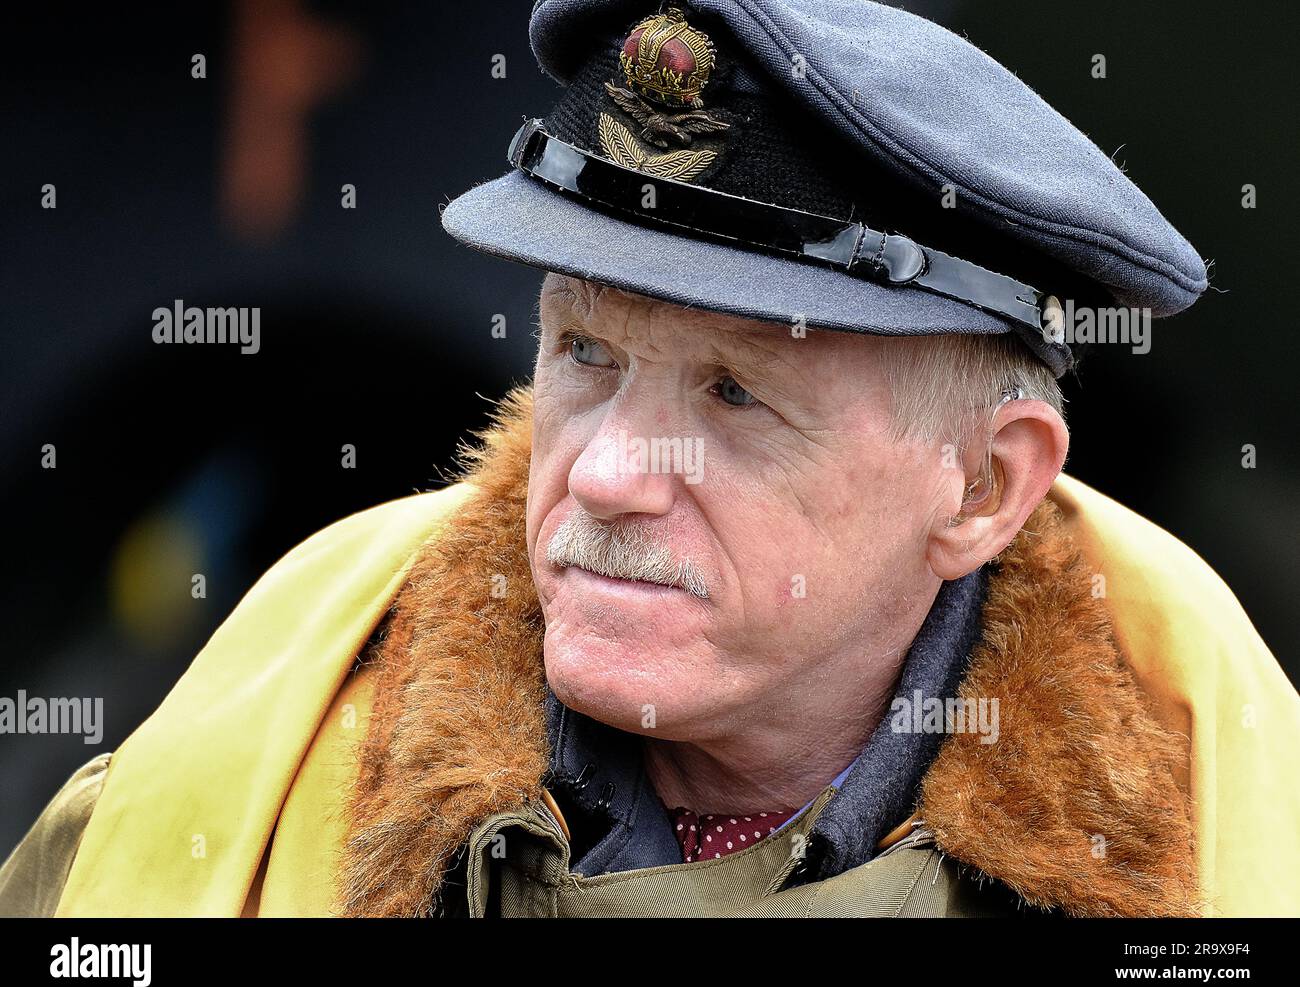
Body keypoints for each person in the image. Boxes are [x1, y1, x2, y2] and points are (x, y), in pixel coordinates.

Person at [3, 0, 1297, 918]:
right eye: (585, 355)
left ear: (982, 486)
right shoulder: (215, 781)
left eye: (737, 394)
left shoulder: (1225, 858)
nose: (610, 472)